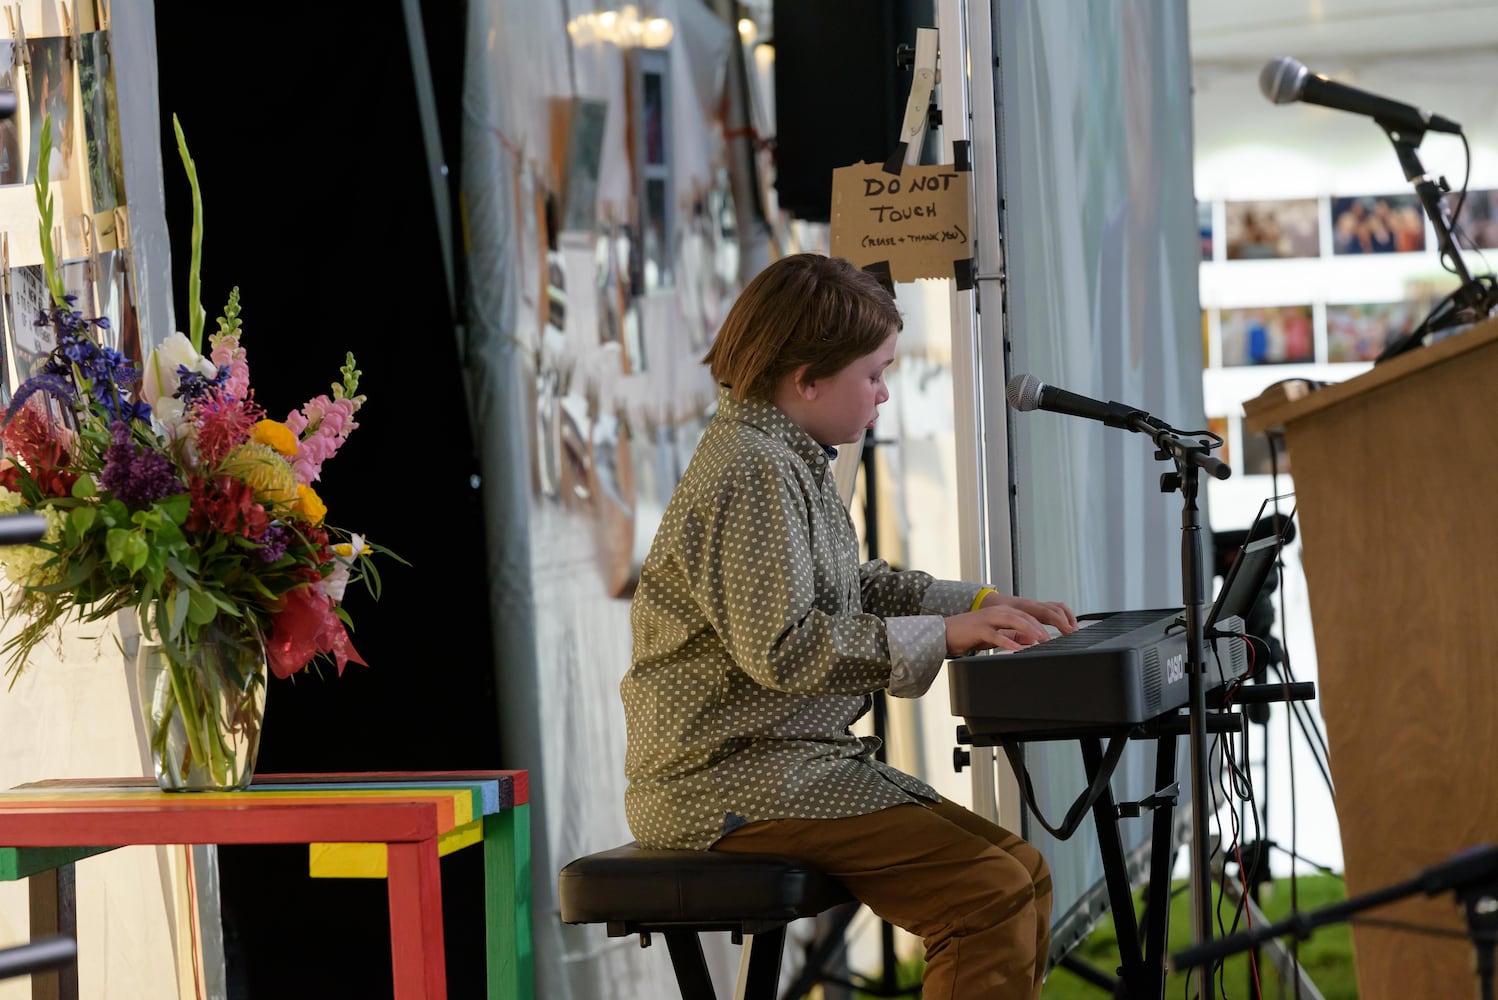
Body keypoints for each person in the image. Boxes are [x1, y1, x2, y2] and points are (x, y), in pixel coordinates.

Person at [621, 253, 1078, 999]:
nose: (885, 394)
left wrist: (977, 605)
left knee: (1019, 874)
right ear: (806, 379)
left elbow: (852, 586)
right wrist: (950, 636)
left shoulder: (781, 454)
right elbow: (787, 649)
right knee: (986, 895)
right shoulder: (755, 468)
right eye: (873, 375)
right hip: (726, 783)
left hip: (776, 766)